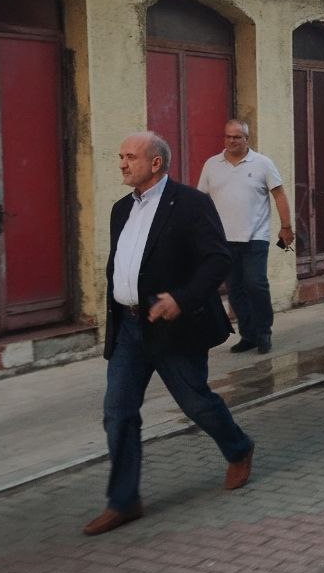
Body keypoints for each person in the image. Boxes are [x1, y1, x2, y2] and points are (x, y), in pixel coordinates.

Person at [85, 132, 254, 536]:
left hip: (172, 327)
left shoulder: (191, 204)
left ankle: (238, 447)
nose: (122, 164)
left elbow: (218, 260)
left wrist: (181, 298)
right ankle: (124, 501)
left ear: (156, 163)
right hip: (129, 327)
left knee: (195, 402)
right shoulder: (120, 209)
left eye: (130, 157)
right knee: (117, 412)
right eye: (121, 156)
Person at [196, 119, 293, 355]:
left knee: (255, 283)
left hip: (255, 236)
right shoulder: (211, 165)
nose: (232, 141)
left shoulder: (262, 163)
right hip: (223, 240)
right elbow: (200, 201)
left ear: (246, 139)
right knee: (235, 289)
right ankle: (248, 335)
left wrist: (286, 227)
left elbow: (279, 195)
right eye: (228, 136)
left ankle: (264, 332)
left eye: (237, 137)